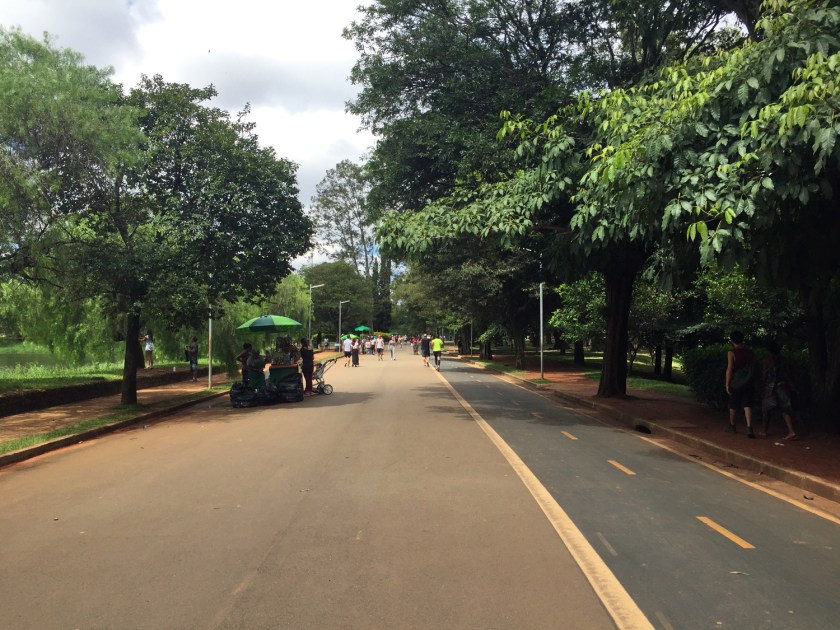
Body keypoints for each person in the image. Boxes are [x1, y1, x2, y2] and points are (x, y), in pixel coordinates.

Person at [761, 340, 798, 440]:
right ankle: (791, 431)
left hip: (771, 387)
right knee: (785, 409)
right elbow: (788, 374)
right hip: (783, 386)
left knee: (766, 408)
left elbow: (765, 375)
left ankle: (764, 431)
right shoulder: (783, 360)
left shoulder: (767, 360)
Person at [725, 330, 757, 438]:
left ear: (732, 340)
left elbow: (729, 369)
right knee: (747, 405)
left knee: (733, 404)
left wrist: (727, 384)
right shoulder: (750, 352)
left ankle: (732, 425)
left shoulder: (732, 352)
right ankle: (749, 427)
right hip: (749, 382)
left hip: (737, 382)